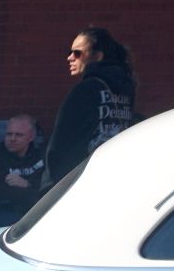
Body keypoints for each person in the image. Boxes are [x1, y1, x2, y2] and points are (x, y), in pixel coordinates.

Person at [47, 27, 137, 183]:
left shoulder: (86, 90)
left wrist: (51, 183)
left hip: (82, 176)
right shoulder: (126, 89)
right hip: (114, 172)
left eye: (77, 53)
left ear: (97, 56)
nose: (70, 58)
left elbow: (61, 142)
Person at [0, 115, 46, 230]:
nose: (12, 138)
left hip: (41, 214)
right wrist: (36, 191)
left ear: (31, 137)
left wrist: (27, 183)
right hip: (8, 217)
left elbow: (54, 185)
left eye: (19, 135)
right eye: (9, 134)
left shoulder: (43, 156)